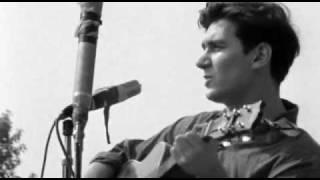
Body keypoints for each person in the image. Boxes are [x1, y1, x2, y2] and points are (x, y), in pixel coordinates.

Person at [84, 2, 320, 178]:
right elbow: (120, 152)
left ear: (259, 56)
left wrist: (211, 174)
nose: (200, 61)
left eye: (216, 47)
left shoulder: (299, 158)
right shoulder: (195, 127)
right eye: (204, 48)